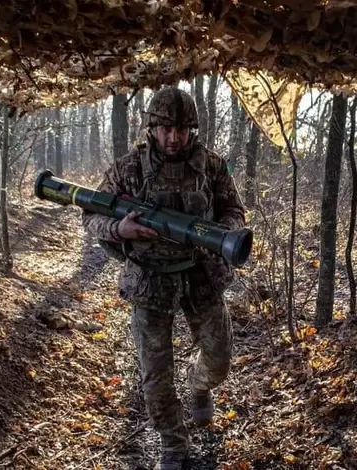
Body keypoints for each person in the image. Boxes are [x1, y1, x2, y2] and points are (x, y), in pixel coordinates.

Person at [81, 86, 246, 470]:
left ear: (193, 130)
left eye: (183, 130)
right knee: (155, 375)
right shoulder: (128, 168)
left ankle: (200, 385)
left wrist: (219, 232)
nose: (174, 138)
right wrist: (120, 229)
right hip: (150, 279)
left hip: (201, 273)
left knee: (219, 357)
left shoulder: (213, 166)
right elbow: (90, 217)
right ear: (152, 128)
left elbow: (233, 210)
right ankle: (173, 445)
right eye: (166, 129)